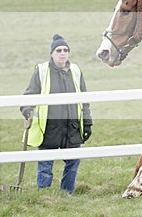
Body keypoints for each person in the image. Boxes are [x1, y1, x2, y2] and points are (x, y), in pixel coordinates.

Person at [20, 34, 92, 193]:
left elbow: (84, 99)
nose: (62, 53)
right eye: (58, 50)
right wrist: (26, 109)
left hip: (72, 126)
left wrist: (87, 122)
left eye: (65, 50)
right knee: (45, 164)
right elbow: (29, 95)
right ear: (52, 53)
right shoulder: (42, 71)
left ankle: (67, 193)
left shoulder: (76, 71)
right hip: (49, 127)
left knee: (73, 163)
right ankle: (44, 195)